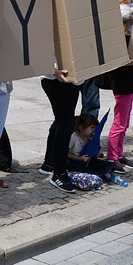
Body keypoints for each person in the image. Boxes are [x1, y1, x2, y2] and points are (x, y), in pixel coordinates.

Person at [107, 7, 133, 174]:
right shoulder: (116, 39)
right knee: (120, 122)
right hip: (122, 83)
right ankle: (112, 157)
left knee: (123, 122)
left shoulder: (126, 36)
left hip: (129, 82)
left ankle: (118, 153)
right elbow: (117, 61)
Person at [40, 63, 82, 193]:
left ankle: (50, 164)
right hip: (56, 78)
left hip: (72, 79)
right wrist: (53, 70)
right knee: (65, 124)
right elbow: (38, 54)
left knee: (61, 122)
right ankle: (59, 173)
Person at [68, 113, 124, 185]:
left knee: (104, 164)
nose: (94, 130)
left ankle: (103, 173)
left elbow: (95, 156)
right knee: (80, 167)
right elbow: (65, 153)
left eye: (95, 128)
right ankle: (99, 174)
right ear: (81, 128)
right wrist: (79, 158)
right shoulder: (74, 137)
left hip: (87, 161)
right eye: (92, 128)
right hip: (75, 161)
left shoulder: (91, 137)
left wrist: (99, 147)